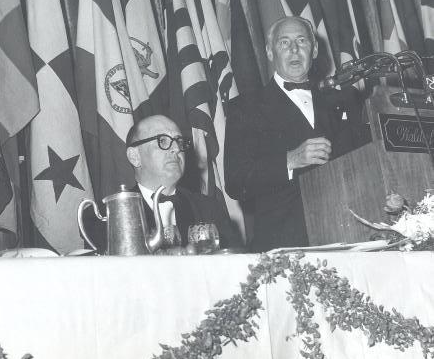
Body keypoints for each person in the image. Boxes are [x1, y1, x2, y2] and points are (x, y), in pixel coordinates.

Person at [224, 16, 364, 252]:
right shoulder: (246, 108)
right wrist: (290, 160)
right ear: (270, 52)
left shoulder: (341, 101)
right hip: (283, 245)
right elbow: (236, 182)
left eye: (301, 41)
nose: (294, 49)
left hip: (344, 238)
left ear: (315, 50)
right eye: (284, 43)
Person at [125, 114, 242, 250]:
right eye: (162, 141)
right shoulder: (113, 215)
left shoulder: (208, 209)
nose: (176, 149)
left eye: (179, 142)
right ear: (135, 157)